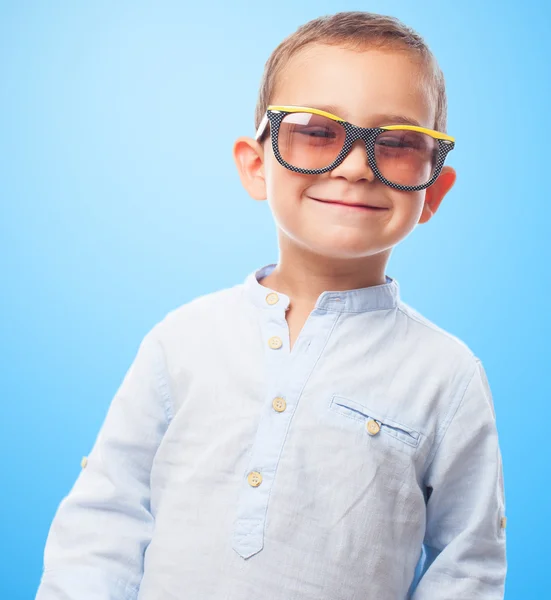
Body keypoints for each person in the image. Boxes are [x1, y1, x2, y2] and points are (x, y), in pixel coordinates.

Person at [36, 10, 507, 600]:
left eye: (397, 144)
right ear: (256, 164)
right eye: (316, 132)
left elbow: (468, 565)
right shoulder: (182, 340)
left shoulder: (448, 376)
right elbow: (104, 519)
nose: (358, 167)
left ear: (433, 190)